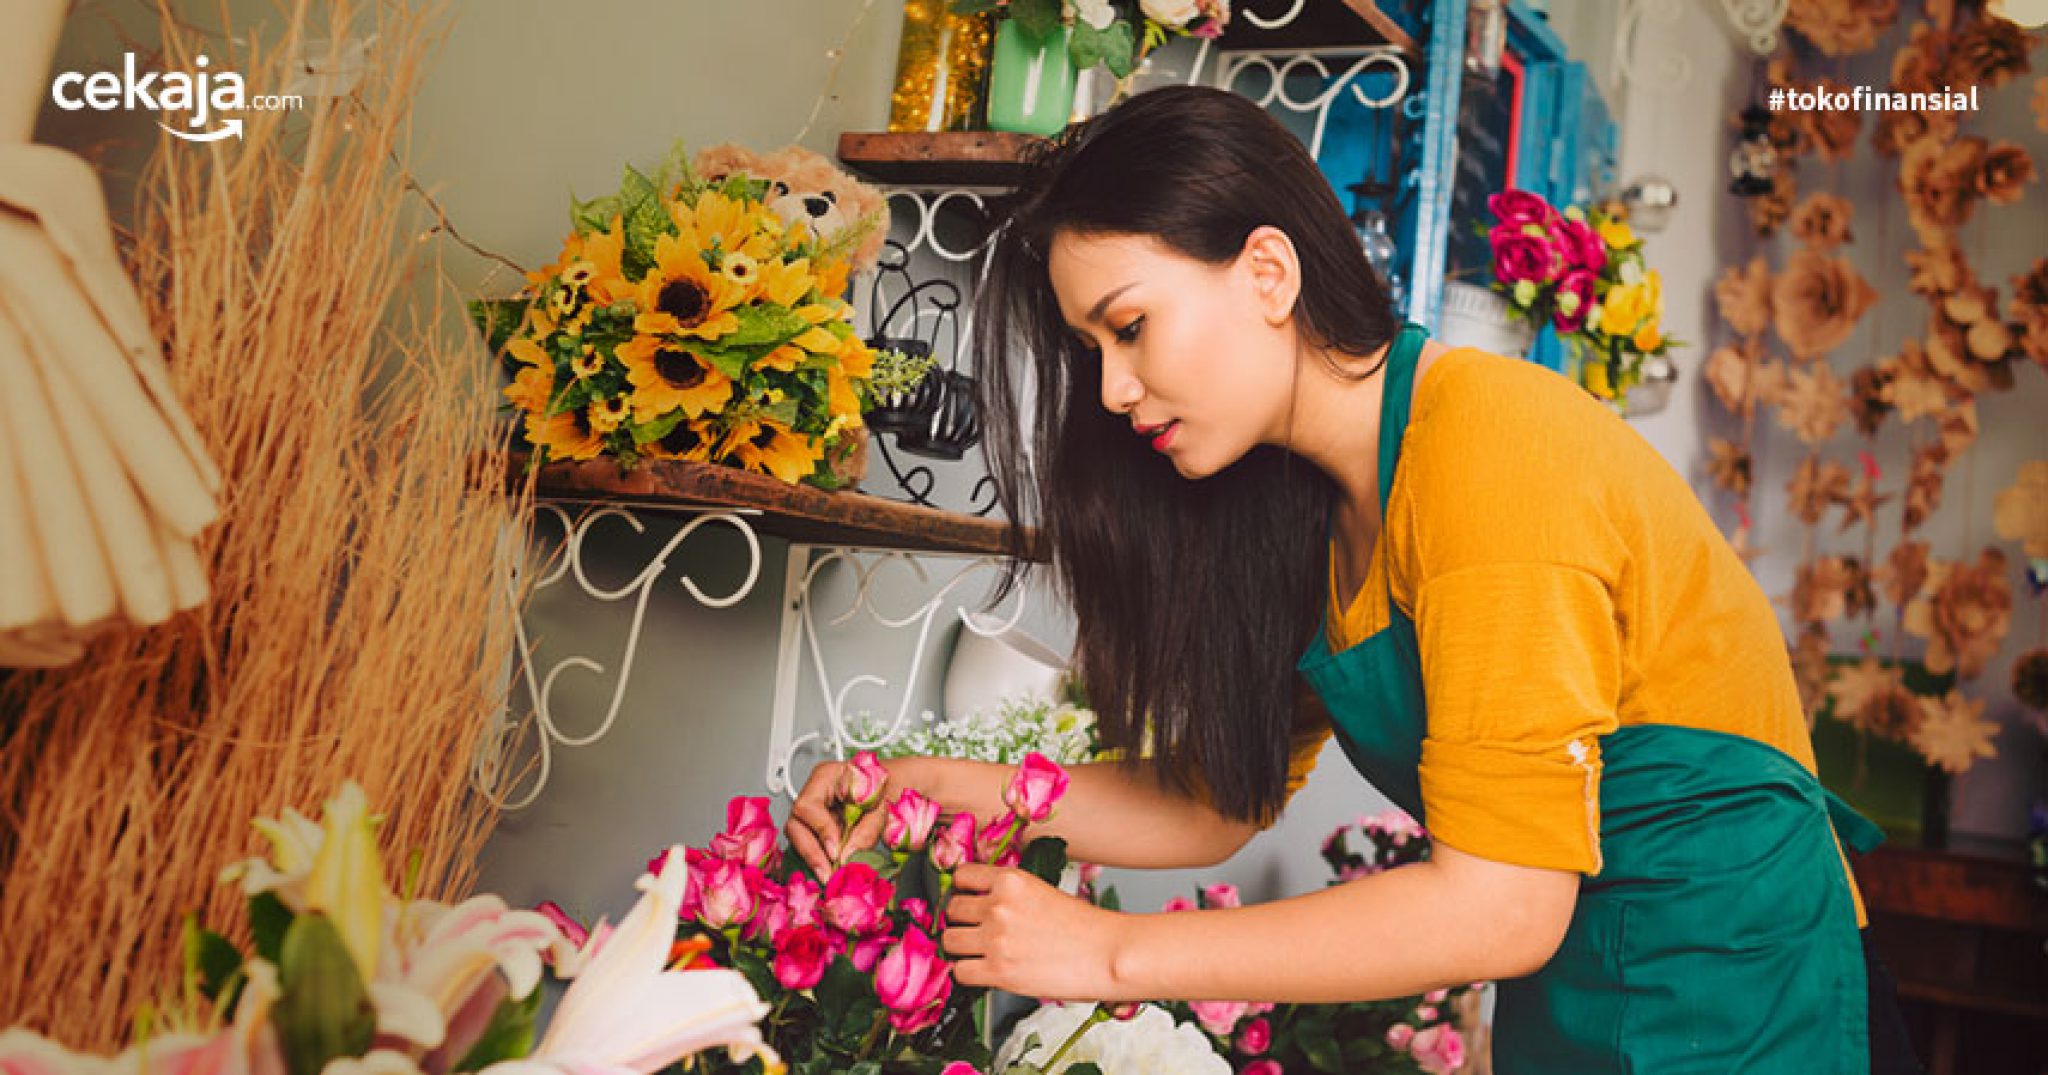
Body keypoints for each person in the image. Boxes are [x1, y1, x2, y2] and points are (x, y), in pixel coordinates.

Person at [786, 86, 1920, 1073]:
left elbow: (1500, 903)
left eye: (1127, 328)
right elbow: (1210, 800)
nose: (1115, 390)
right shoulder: (1305, 510)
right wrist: (911, 784)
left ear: (1267, 271)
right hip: (1580, 990)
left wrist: (1113, 952)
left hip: (1739, 987)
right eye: (1092, 353)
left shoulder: (1485, 451)